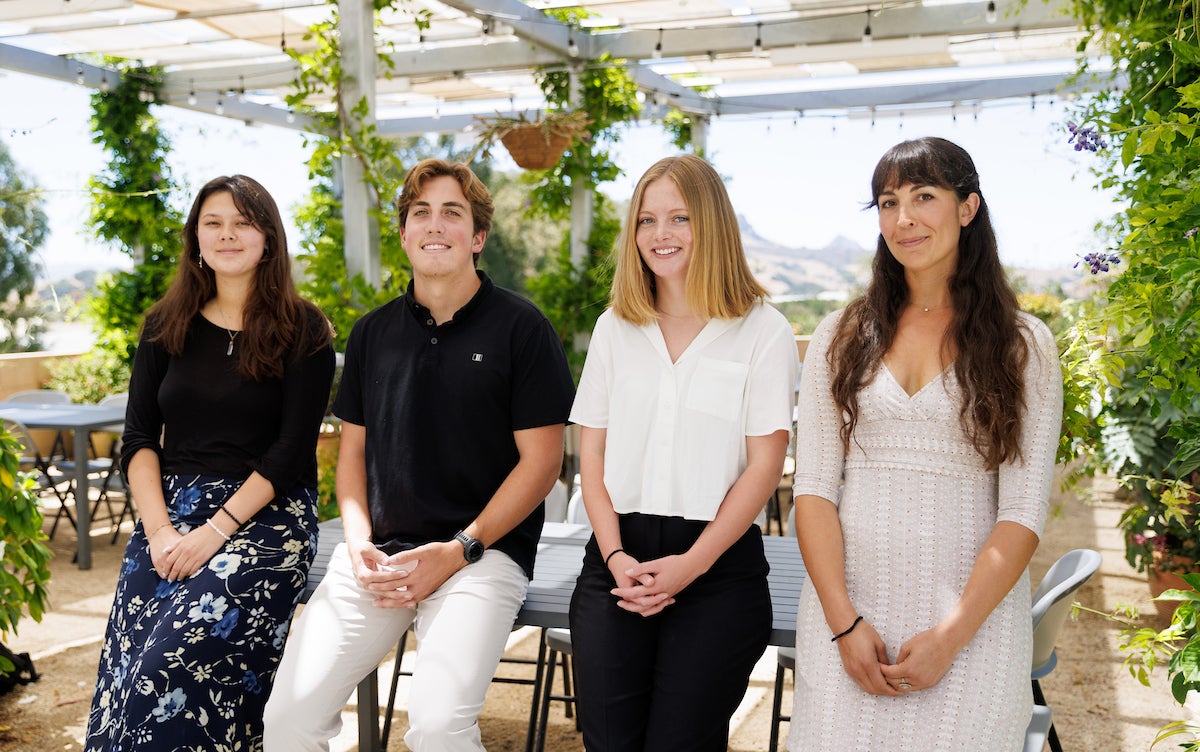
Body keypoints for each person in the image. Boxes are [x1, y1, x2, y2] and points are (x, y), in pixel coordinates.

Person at [262, 158, 574, 751]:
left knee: (435, 727)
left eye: (451, 213)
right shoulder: (370, 334)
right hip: (379, 558)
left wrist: (461, 549)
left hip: (482, 555)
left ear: (477, 236)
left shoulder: (522, 328)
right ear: (404, 233)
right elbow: (351, 458)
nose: (435, 225)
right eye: (420, 213)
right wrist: (357, 545)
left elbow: (541, 466)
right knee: (287, 722)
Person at [787, 137, 1062, 750]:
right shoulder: (842, 335)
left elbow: (1020, 512)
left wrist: (951, 635)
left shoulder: (1024, 345)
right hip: (847, 620)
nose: (903, 218)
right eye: (888, 202)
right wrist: (843, 623)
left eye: (924, 197)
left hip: (973, 630)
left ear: (968, 208)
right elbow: (812, 492)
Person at [85, 175, 336, 751]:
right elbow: (140, 439)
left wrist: (215, 532)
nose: (227, 235)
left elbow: (291, 451)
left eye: (243, 223)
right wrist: (160, 531)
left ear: (269, 238)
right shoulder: (164, 324)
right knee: (129, 669)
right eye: (213, 223)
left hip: (264, 516)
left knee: (170, 663)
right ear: (195, 238)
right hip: (168, 515)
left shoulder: (304, 329)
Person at [568, 154, 800, 751]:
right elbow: (588, 460)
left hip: (718, 571)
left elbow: (765, 466)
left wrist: (691, 564)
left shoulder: (763, 329)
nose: (660, 235)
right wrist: (617, 557)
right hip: (618, 566)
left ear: (712, 225)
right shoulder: (614, 328)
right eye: (647, 220)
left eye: (679, 218)